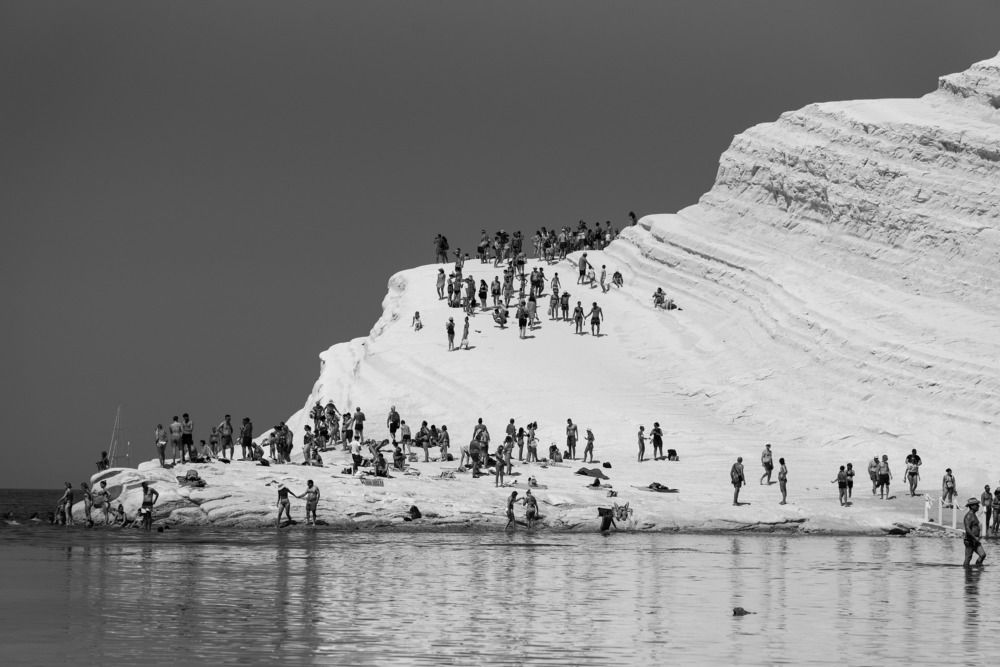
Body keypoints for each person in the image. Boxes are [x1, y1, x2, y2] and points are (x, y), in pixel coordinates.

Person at [964, 497, 987, 567]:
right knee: (968, 558)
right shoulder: (968, 516)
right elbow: (967, 529)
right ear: (971, 506)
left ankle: (978, 567)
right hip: (970, 540)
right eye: (976, 505)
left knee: (983, 555)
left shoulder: (974, 515)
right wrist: (974, 537)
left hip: (975, 540)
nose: (978, 506)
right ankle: (967, 573)